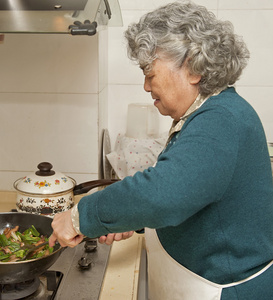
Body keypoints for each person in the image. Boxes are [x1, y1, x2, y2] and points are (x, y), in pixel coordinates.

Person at [49, 1, 273, 299]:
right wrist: (133, 218)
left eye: (149, 72)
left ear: (192, 67)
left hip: (225, 291)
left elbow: (165, 194)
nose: (145, 85)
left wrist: (80, 215)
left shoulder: (222, 120)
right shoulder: (209, 112)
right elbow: (191, 195)